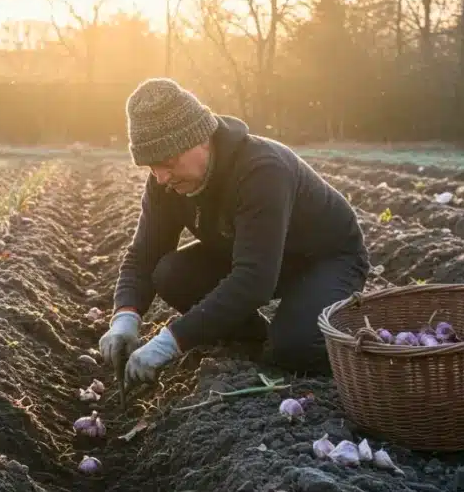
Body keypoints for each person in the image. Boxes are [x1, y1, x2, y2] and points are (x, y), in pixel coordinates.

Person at [99, 78, 371, 387]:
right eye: (151, 167)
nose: (161, 178)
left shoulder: (262, 170)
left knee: (294, 348)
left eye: (168, 163)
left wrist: (171, 341)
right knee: (171, 274)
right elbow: (144, 256)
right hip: (257, 255)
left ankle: (352, 346)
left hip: (326, 259)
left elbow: (254, 280)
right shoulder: (166, 184)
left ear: (201, 139)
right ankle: (254, 341)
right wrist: (125, 318)